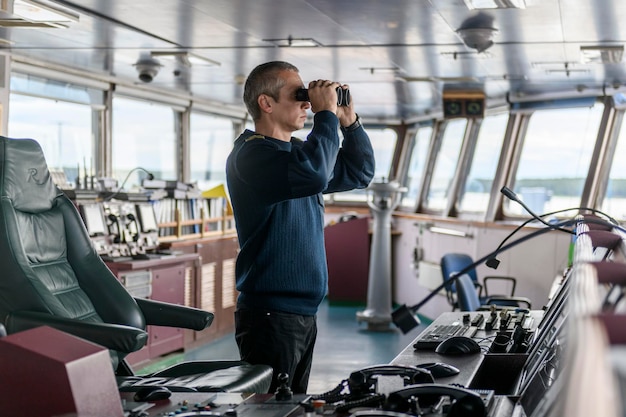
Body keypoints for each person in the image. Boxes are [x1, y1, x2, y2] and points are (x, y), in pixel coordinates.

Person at [225, 61, 375, 394]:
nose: (308, 103)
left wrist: (348, 122)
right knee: (268, 413)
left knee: (292, 408)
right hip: (269, 315)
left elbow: (359, 173)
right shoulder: (251, 156)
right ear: (266, 103)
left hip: (300, 313)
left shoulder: (295, 154)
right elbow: (314, 173)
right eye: (298, 95)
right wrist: (326, 116)